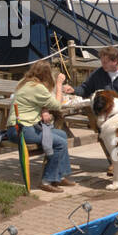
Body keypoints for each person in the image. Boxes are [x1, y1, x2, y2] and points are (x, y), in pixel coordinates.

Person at [6, 61, 76, 193]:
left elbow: (36, 101)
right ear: (46, 75)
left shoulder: (24, 82)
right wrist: (59, 84)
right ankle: (47, 180)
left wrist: (43, 109)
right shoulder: (38, 87)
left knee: (62, 135)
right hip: (21, 130)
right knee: (60, 143)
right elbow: (57, 105)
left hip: (16, 127)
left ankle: (60, 175)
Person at [65, 47, 118, 129]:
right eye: (102, 62)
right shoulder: (98, 74)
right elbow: (86, 89)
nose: (102, 64)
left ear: (115, 61)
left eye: (105, 62)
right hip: (106, 116)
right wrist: (73, 90)